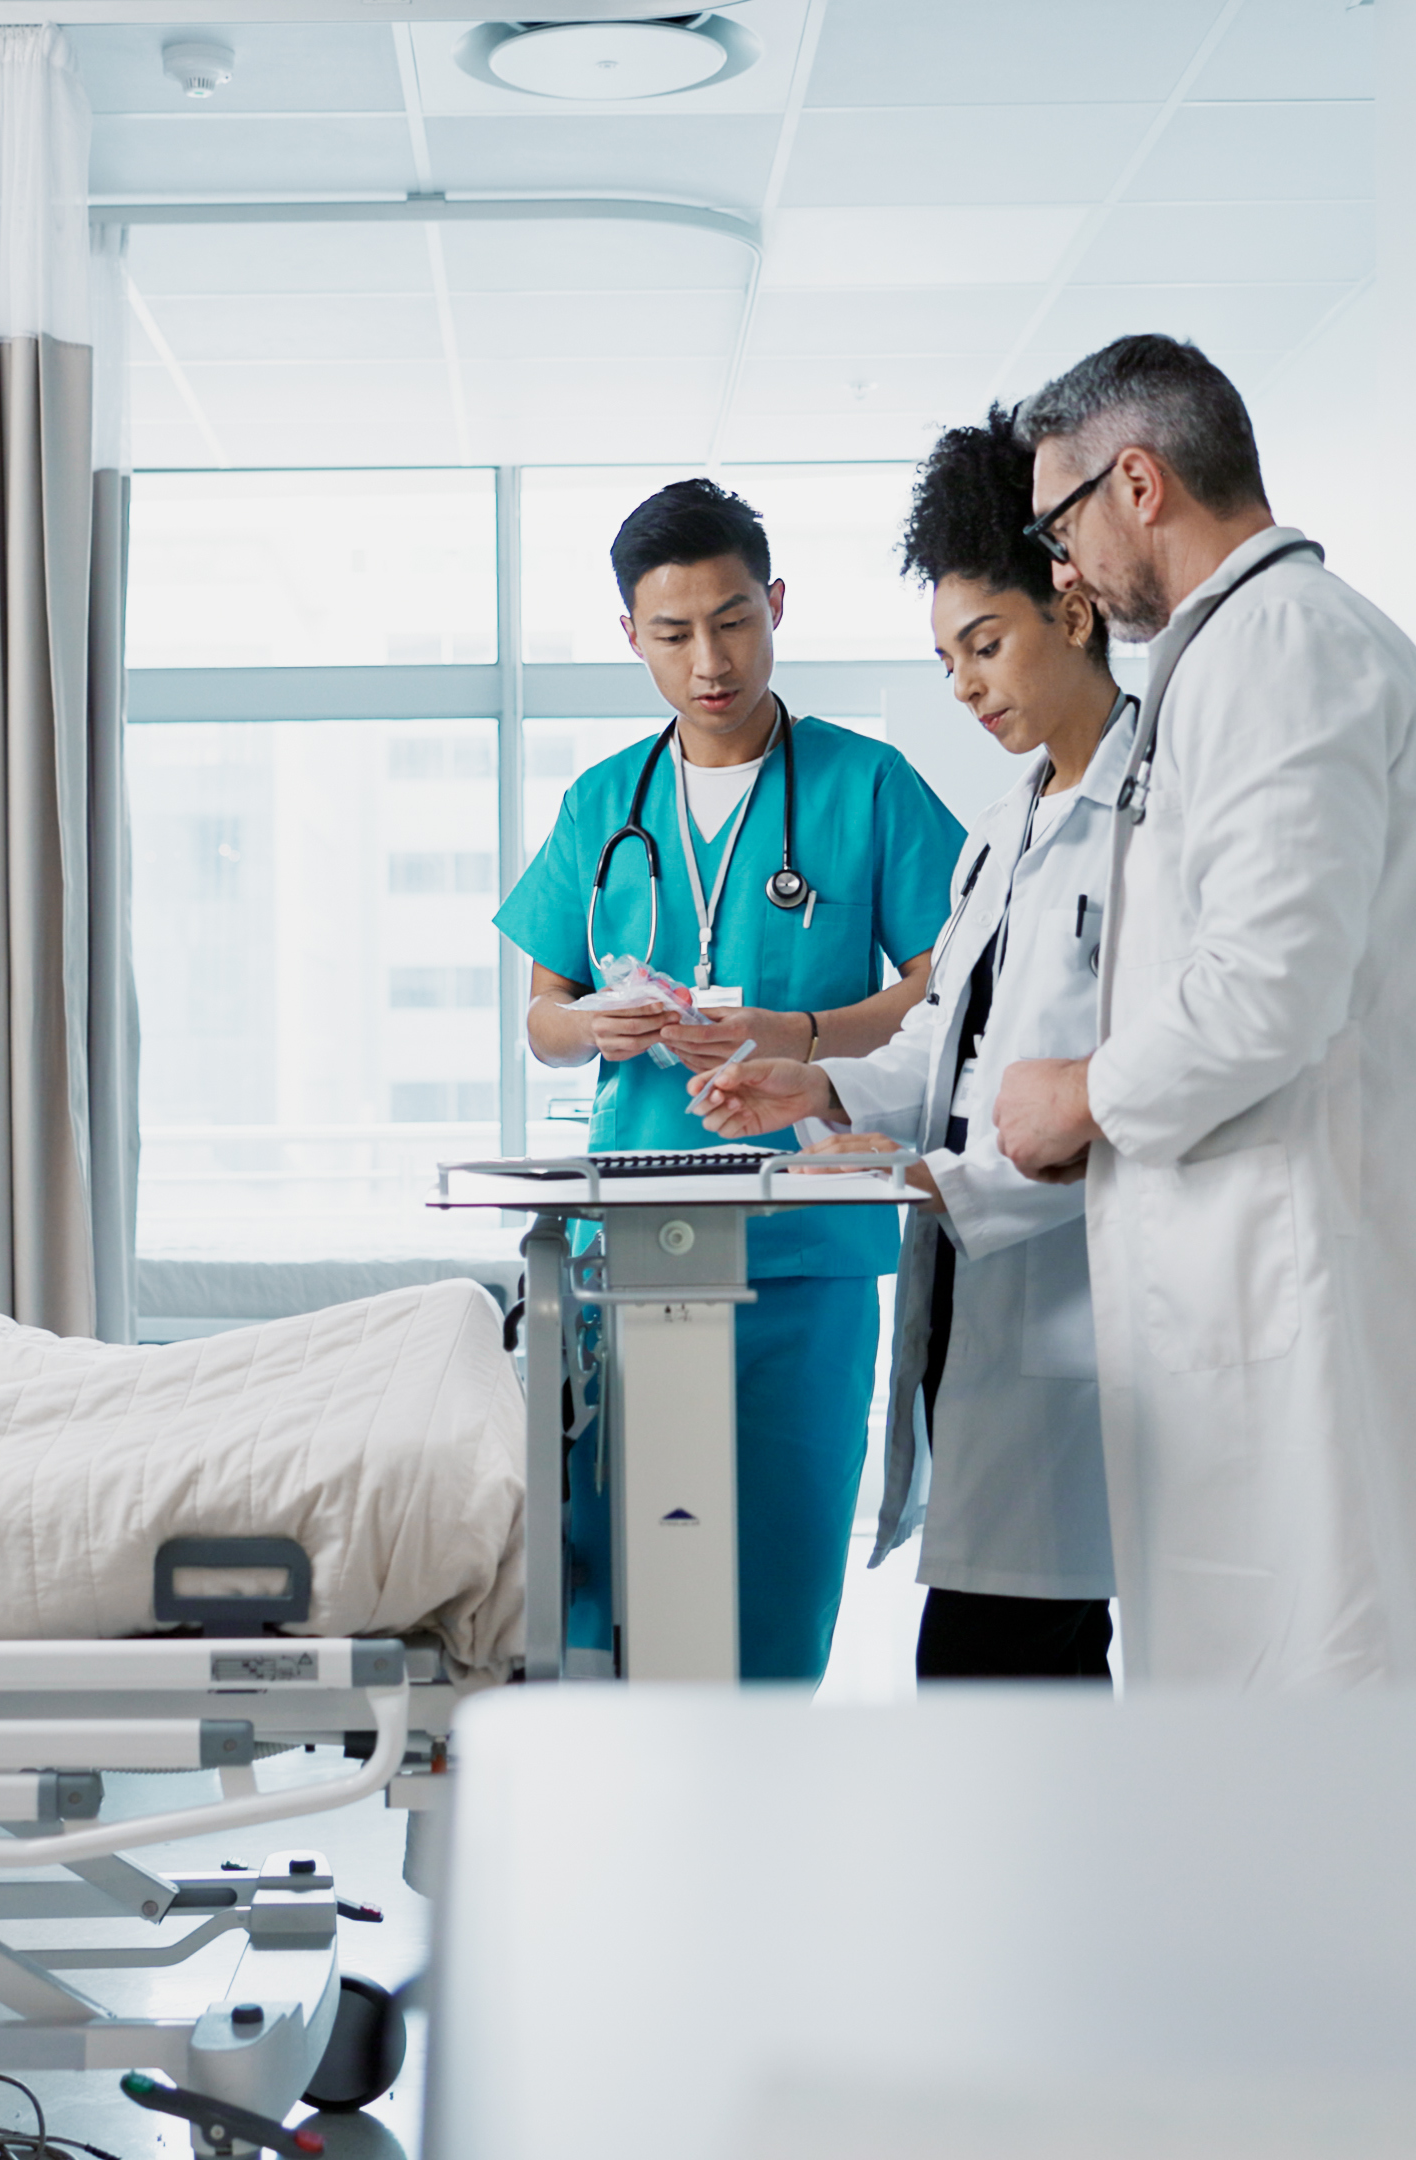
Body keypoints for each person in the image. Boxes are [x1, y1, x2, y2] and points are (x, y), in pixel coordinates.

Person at [986, 334, 1416, 1691]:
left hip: (1319, 1283)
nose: (1059, 571)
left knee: (1337, 1681)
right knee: (1298, 1684)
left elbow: (1267, 991)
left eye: (1058, 526)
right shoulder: (1243, 655)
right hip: (1273, 1279)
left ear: (1138, 484)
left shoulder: (1282, 652)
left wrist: (1078, 1095)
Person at [493, 478, 969, 1682]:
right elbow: (538, 1021)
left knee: (776, 1574)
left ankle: (761, 1836)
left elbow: (950, 988)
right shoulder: (605, 801)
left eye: (734, 619)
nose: (709, 658)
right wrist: (590, 1021)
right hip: (636, 1229)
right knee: (623, 1575)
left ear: (777, 606)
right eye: (672, 632)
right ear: (630, 636)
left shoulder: (867, 786)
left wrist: (796, 1031)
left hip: (805, 1240)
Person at [690, 413, 1125, 1683]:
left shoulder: (1151, 820)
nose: (967, 687)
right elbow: (952, 1038)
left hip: (1083, 1321)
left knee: (1007, 1690)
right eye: (945, 662)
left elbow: (1132, 1089)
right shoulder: (1006, 829)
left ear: (1074, 607)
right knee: (997, 1683)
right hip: (986, 1324)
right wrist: (818, 1082)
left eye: (984, 647)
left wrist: (932, 1178)